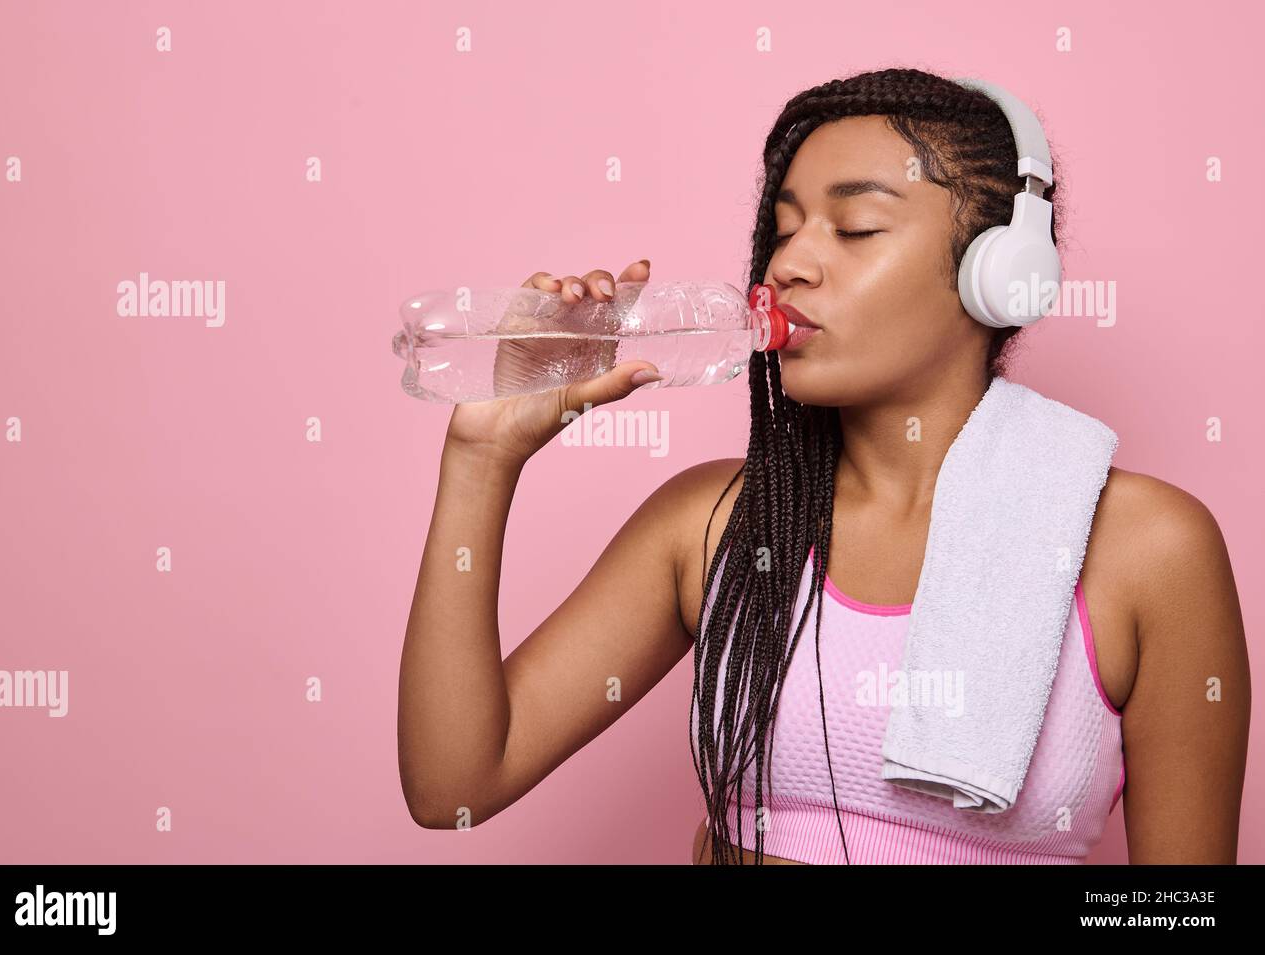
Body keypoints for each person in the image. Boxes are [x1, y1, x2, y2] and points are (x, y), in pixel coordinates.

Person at [396, 67, 1249, 864]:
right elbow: (454, 787)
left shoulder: (1149, 551)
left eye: (855, 227)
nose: (787, 265)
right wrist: (484, 454)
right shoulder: (714, 524)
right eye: (784, 228)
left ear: (1002, 276)